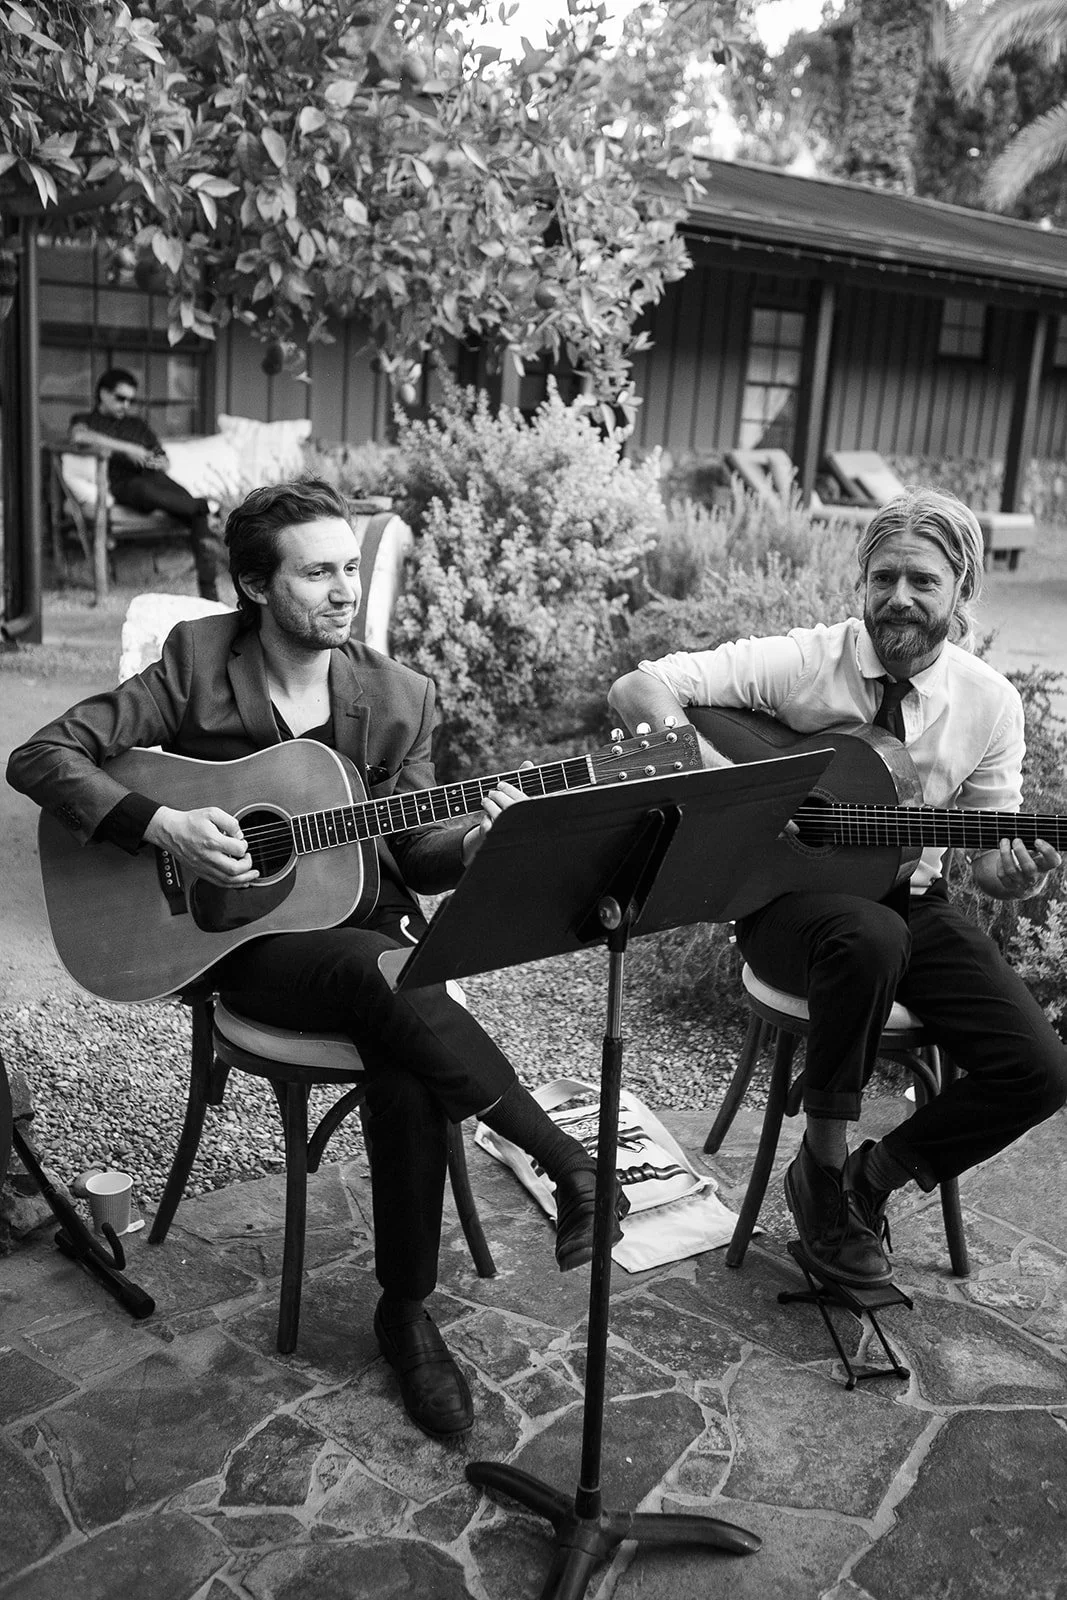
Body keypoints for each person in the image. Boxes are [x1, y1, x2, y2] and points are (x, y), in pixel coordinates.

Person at [7, 478, 624, 1439]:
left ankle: (405, 1309)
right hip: (234, 944)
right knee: (375, 981)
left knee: (400, 1041)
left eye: (350, 569)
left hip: (362, 932)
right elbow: (43, 756)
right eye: (318, 572)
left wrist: (475, 843)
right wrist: (162, 824)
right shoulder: (194, 665)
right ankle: (564, 1172)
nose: (345, 590)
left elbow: (416, 853)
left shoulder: (397, 695)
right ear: (256, 584)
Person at [609, 488, 1067, 1291]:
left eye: (922, 581)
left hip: (911, 902)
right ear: (861, 583)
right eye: (883, 576)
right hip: (782, 909)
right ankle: (819, 1171)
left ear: (960, 591)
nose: (898, 597)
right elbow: (637, 688)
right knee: (867, 936)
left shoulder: (989, 703)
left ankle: (871, 1178)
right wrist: (738, 792)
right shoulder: (804, 659)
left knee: (1041, 1071)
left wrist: (1013, 878)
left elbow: (989, 862)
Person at [69, 368, 226, 601]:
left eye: (131, 400)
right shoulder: (86, 420)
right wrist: (129, 449)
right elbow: (79, 437)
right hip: (126, 484)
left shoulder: (137, 425)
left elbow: (164, 460)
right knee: (187, 504)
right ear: (103, 393)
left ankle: (209, 592)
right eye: (120, 398)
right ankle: (210, 508)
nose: (126, 404)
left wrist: (153, 460)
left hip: (155, 478)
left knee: (195, 513)